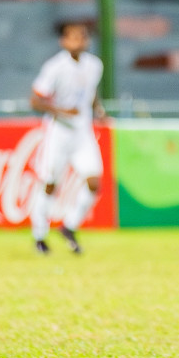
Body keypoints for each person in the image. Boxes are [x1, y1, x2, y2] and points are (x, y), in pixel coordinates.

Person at [29, 21, 106, 256]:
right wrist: (63, 112)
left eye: (82, 37)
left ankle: (69, 226)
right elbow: (35, 100)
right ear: (63, 41)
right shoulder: (55, 67)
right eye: (73, 37)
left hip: (82, 133)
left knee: (94, 183)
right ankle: (40, 235)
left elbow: (89, 91)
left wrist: (99, 109)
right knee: (51, 183)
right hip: (59, 132)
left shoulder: (94, 65)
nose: (78, 41)